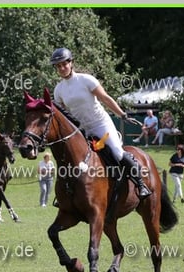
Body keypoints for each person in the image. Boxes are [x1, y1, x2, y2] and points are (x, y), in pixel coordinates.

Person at [50, 47, 151, 199]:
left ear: (71, 63)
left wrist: (122, 114)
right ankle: (66, 195)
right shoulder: (59, 90)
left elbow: (105, 98)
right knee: (70, 157)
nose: (62, 68)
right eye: (58, 66)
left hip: (100, 124)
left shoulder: (86, 80)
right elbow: (63, 115)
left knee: (117, 152)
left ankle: (141, 184)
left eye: (64, 64)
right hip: (82, 130)